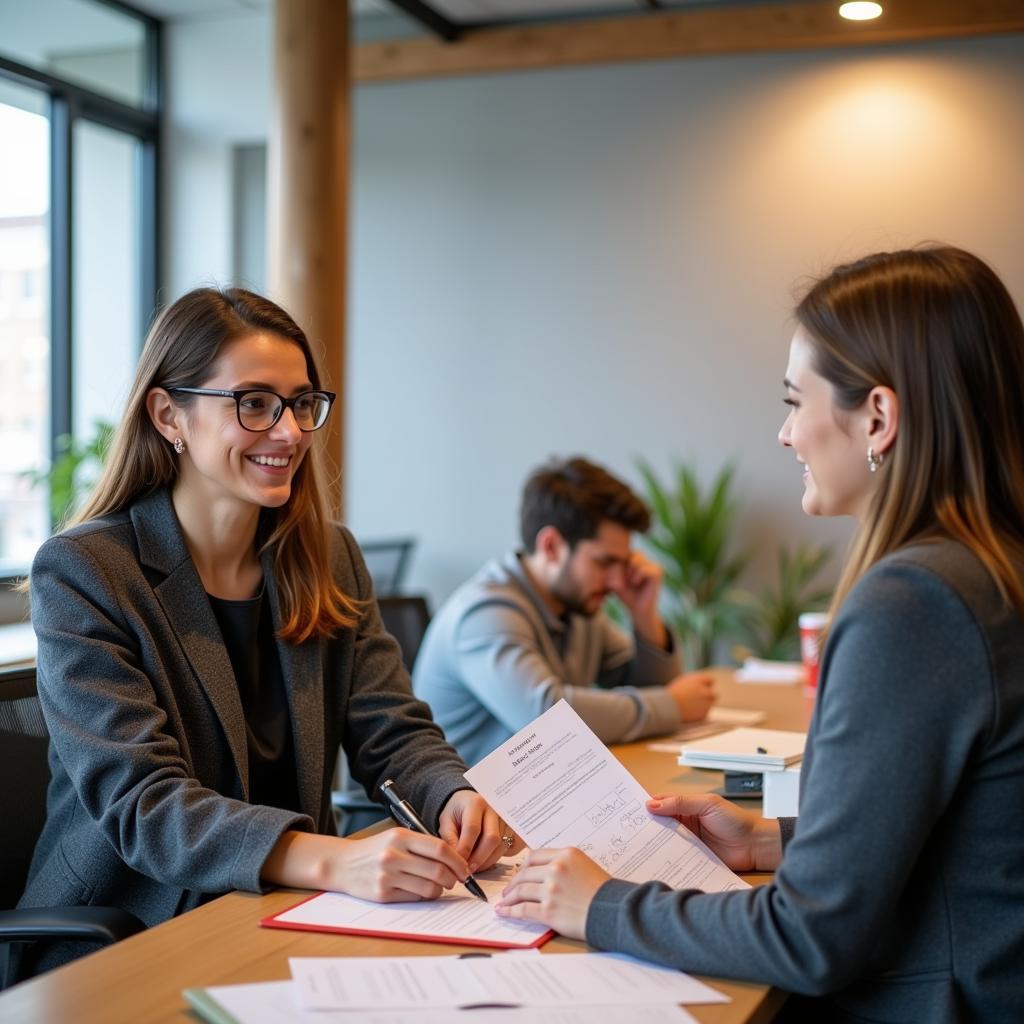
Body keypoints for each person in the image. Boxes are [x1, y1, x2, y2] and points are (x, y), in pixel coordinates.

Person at [494, 247, 1024, 1021]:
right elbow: (957, 829)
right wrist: (770, 844)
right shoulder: (992, 568)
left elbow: (811, 939)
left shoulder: (914, 603)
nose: (785, 435)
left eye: (793, 401)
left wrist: (601, 904)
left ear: (877, 417)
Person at [16, 288, 513, 978]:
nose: (289, 432)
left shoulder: (325, 556)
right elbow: (145, 806)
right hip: (130, 934)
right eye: (254, 403)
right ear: (169, 415)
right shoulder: (86, 571)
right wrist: (334, 858)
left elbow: (391, 730)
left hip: (286, 912)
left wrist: (451, 795)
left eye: (302, 403)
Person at [413, 457, 716, 767]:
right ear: (551, 547)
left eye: (623, 563)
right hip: (465, 807)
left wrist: (643, 616)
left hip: (540, 794)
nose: (616, 581)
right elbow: (546, 717)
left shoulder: (578, 606)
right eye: (604, 562)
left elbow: (649, 690)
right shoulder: (484, 613)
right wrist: (673, 706)